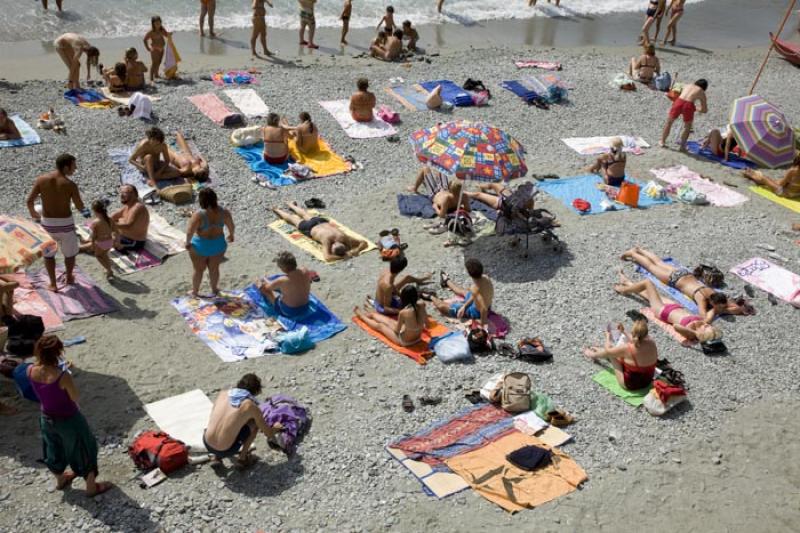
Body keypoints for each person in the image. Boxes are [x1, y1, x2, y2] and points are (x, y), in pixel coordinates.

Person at [28, 336, 112, 496]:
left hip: (46, 417)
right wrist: (65, 372)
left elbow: (45, 380)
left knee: (53, 448)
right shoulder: (62, 376)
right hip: (68, 418)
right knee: (85, 448)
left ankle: (60, 480)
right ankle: (91, 487)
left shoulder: (30, 370)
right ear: (58, 352)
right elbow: (74, 397)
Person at [621, 246, 749, 321]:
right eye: (720, 306)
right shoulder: (702, 299)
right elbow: (704, 317)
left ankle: (640, 250)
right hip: (673, 279)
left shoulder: (716, 295)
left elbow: (737, 308)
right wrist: (717, 311)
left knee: (659, 262)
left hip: (684, 273)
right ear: (713, 303)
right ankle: (632, 253)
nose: (722, 308)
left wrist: (728, 309)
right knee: (650, 266)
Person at [26, 154, 87, 291]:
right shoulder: (70, 185)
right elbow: (79, 206)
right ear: (66, 167)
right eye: (73, 165)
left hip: (48, 225)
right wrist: (86, 211)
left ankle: (53, 283)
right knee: (70, 254)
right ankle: (69, 277)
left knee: (49, 255)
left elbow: (29, 201)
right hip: (65, 225)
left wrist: (34, 214)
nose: (75, 168)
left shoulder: (41, 180)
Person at [614, 273, 722, 343]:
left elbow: (676, 326)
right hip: (673, 307)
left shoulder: (690, 332)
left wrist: (695, 333)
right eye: (709, 326)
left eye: (707, 327)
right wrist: (719, 307)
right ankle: (628, 283)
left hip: (662, 311)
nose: (707, 325)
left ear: (701, 333)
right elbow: (712, 312)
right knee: (648, 294)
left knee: (648, 284)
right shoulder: (703, 322)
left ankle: (624, 290)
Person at [203, 374, 283, 469]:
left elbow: (212, 415)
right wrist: (276, 428)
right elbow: (268, 433)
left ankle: (214, 456)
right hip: (227, 449)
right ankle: (242, 458)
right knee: (255, 423)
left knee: (220, 420)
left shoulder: (223, 393)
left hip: (207, 443)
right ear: (256, 391)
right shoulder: (250, 405)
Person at [272, 201, 369, 261]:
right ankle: (277, 209)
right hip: (310, 227)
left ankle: (291, 205)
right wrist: (350, 253)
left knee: (304, 214)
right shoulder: (329, 241)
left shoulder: (342, 237)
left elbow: (363, 242)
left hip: (320, 222)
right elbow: (327, 257)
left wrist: (355, 250)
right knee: (293, 220)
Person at [582, 319, 658, 391]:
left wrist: (607, 336)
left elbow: (608, 350)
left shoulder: (627, 348)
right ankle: (598, 351)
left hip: (631, 385)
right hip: (647, 381)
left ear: (633, 333)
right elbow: (637, 341)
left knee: (611, 353)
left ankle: (592, 354)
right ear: (646, 333)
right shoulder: (652, 342)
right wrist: (623, 332)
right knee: (620, 354)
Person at [186, 188, 234, 297]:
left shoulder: (198, 215)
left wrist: (187, 243)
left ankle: (195, 292)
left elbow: (190, 231)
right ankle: (214, 289)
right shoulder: (224, 212)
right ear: (215, 199)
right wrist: (231, 235)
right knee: (214, 268)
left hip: (200, 246)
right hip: (218, 245)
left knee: (198, 270)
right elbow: (231, 226)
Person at [355, 285, 428, 346]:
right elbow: (426, 322)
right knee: (390, 322)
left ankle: (362, 316)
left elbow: (397, 330)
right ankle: (372, 314)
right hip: (418, 337)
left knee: (381, 326)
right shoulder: (422, 304)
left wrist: (391, 326)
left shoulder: (404, 312)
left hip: (405, 341)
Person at [431, 259, 493, 324]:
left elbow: (484, 309)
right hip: (485, 305)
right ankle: (446, 281)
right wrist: (464, 306)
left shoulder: (474, 288)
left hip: (476, 312)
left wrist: (482, 324)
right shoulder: (486, 277)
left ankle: (430, 296)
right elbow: (476, 295)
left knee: (442, 306)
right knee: (463, 292)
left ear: (469, 273)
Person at [258, 251, 312, 318]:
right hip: (306, 307)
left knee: (262, 288)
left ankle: (274, 301)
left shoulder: (283, 280)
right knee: (287, 288)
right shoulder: (305, 270)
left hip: (290, 311)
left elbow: (267, 287)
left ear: (283, 268)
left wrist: (264, 280)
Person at [660, 79, 708, 151]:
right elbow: (704, 110)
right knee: (687, 127)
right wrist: (696, 108)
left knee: (669, 122)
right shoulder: (701, 92)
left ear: (696, 82)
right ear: (704, 88)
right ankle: (682, 147)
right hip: (689, 105)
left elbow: (675, 91)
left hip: (679, 101)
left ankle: (662, 141)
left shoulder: (687, 85)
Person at [111, 185, 150, 252]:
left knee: (100, 244)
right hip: (122, 236)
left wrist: (111, 225)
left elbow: (128, 226)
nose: (121, 195)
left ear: (133, 194)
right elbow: (113, 216)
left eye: (124, 193)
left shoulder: (137, 207)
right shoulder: (128, 205)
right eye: (121, 192)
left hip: (133, 241)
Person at [82, 200, 114, 280]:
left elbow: (94, 236)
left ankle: (109, 270)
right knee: (105, 255)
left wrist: (92, 244)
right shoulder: (109, 219)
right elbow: (115, 230)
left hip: (100, 243)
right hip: (109, 242)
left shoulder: (95, 222)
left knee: (98, 256)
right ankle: (108, 268)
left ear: (94, 211)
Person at [143, 16, 171, 82]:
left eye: (159, 23)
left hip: (162, 48)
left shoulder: (162, 29)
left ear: (161, 22)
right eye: (156, 23)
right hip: (155, 49)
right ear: (153, 24)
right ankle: (151, 78)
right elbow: (144, 39)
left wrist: (169, 34)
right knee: (154, 63)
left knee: (159, 62)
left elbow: (166, 35)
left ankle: (156, 74)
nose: (158, 24)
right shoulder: (151, 32)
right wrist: (148, 48)